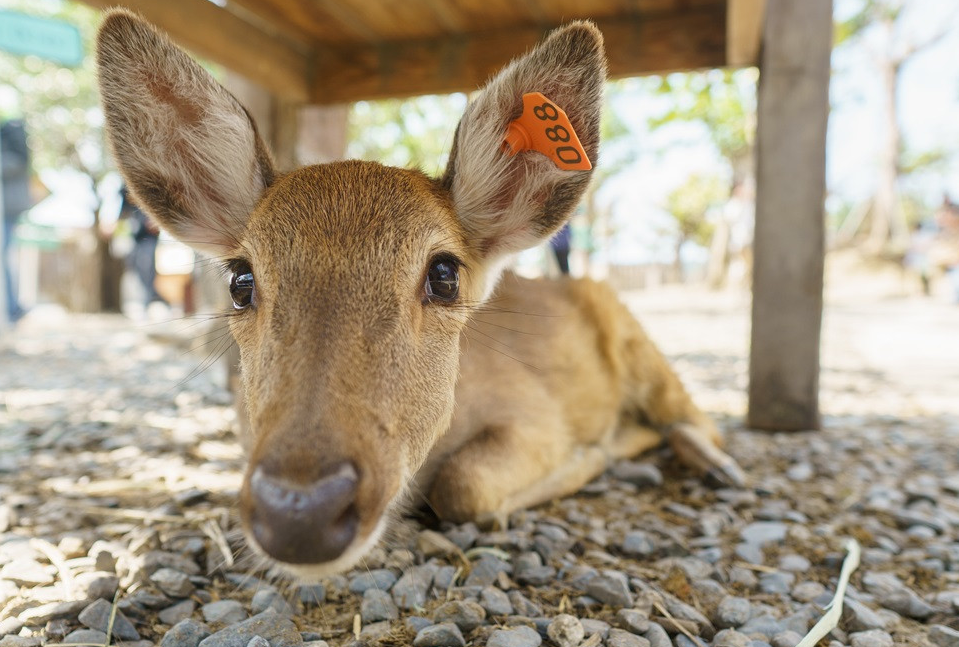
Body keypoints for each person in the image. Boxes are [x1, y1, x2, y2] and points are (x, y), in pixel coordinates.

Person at [1, 119, 31, 322]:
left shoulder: (11, 133)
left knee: (4, 257)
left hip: (8, 207)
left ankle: (12, 308)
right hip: (10, 206)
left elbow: (18, 163)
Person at [119, 185, 167, 309]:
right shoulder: (124, 188)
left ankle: (152, 301)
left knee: (147, 266)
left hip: (149, 236)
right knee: (135, 267)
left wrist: (157, 221)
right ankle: (147, 300)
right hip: (134, 236)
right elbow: (123, 211)